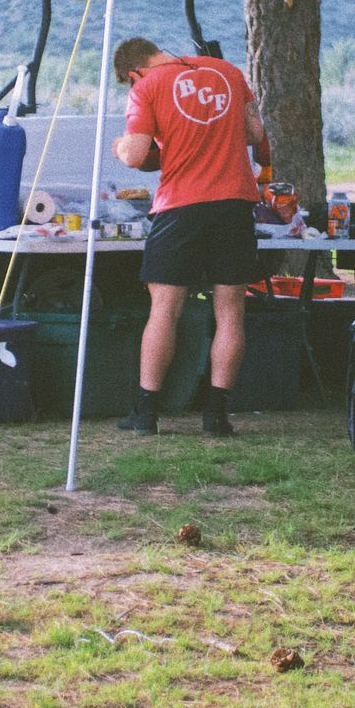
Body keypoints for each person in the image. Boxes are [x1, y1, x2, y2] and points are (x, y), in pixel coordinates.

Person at [109, 37, 270, 436]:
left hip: (180, 205)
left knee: (165, 309)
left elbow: (135, 155)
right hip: (234, 202)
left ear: (133, 72)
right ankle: (216, 416)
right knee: (230, 311)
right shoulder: (228, 72)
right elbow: (255, 133)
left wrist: (119, 147)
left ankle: (146, 413)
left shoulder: (146, 87)